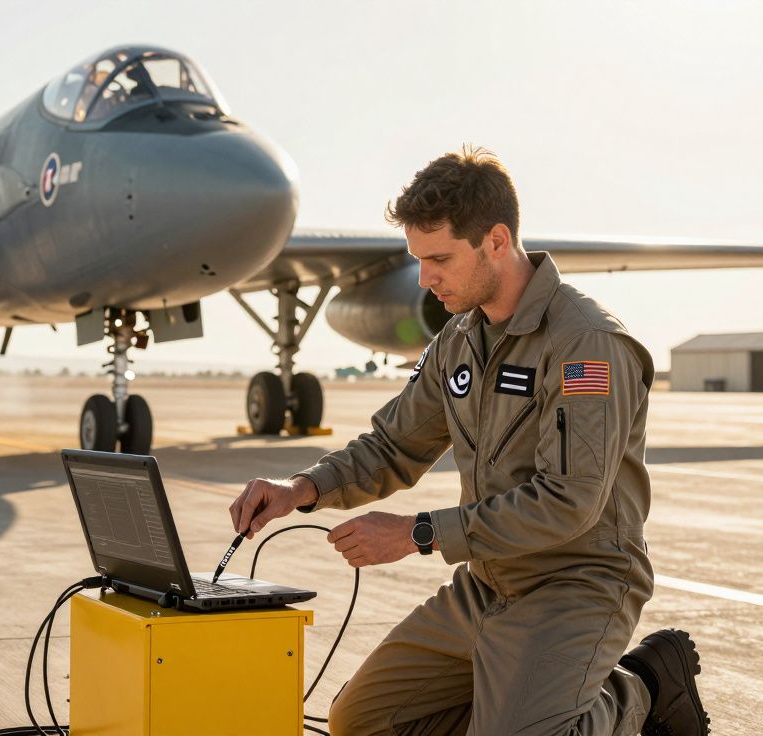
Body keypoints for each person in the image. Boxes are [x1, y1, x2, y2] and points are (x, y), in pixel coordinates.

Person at [229, 146, 708, 735]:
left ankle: (640, 692)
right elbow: (393, 446)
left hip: (577, 583)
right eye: (418, 260)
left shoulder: (586, 344)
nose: (425, 279)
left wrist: (417, 533)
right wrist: (300, 489)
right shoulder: (458, 339)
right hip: (488, 583)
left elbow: (571, 501)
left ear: (497, 241)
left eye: (439, 259)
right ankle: (523, 707)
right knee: (360, 724)